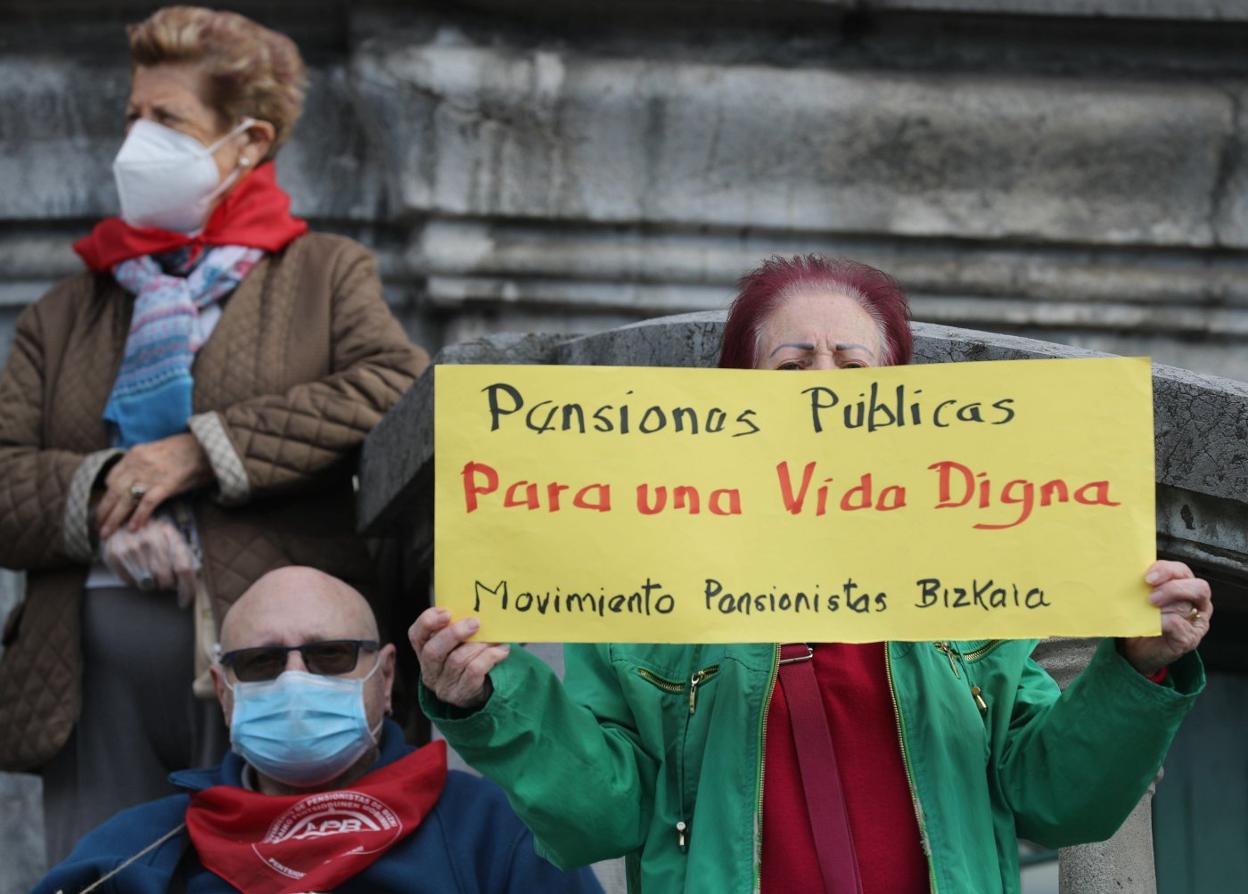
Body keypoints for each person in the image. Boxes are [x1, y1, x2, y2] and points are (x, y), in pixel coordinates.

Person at [411, 255, 1212, 894]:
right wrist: (488, 700)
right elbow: (601, 818)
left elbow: (1058, 799)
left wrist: (1137, 669)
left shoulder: (964, 580)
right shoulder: (647, 585)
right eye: (792, 365)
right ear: (733, 402)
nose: (824, 385)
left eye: (852, 367)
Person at [0, 5, 427, 862]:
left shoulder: (322, 274)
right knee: (101, 870)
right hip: (88, 670)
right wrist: (108, 492)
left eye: (167, 120)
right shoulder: (66, 308)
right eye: (133, 115)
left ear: (248, 140)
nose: (135, 140)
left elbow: (395, 386)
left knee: (271, 866)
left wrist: (198, 452)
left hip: (273, 665)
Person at [30, 567, 604, 894]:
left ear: (386, 676)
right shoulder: (137, 851)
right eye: (261, 663)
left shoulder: (495, 831)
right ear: (223, 691)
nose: (295, 681)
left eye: (330, 656)